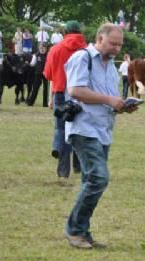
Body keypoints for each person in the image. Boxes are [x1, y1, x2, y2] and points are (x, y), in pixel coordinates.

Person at [63, 23, 138, 249]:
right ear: (100, 39)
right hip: (83, 127)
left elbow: (110, 98)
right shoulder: (82, 58)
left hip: (102, 129)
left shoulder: (111, 68)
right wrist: (109, 101)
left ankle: (83, 232)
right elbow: (76, 90)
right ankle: (74, 230)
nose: (116, 48)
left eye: (119, 45)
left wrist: (122, 106)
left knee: (91, 180)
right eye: (113, 43)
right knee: (99, 178)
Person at [43, 20, 86, 179]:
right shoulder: (87, 49)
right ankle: (79, 165)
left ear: (65, 32)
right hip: (82, 93)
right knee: (79, 129)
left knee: (61, 129)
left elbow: (47, 75)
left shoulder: (55, 49)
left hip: (61, 92)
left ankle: (63, 171)